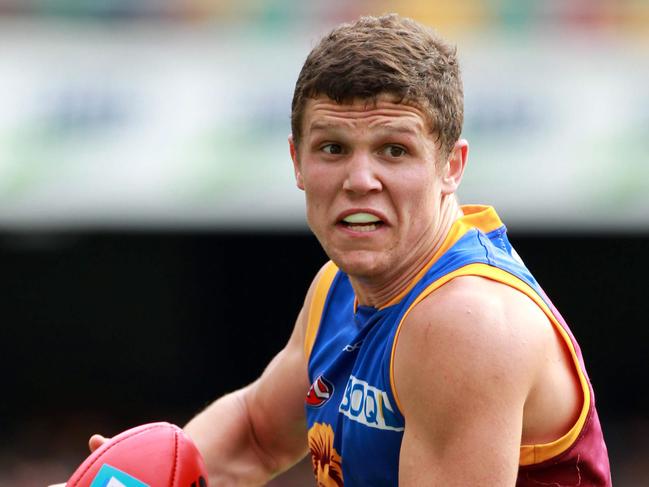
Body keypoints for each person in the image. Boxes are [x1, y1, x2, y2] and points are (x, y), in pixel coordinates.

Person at [58, 13, 612, 486]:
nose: (360, 178)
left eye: (394, 150)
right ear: (297, 162)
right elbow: (254, 436)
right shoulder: (338, 288)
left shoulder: (466, 322)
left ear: (451, 167)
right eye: (333, 148)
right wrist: (133, 476)